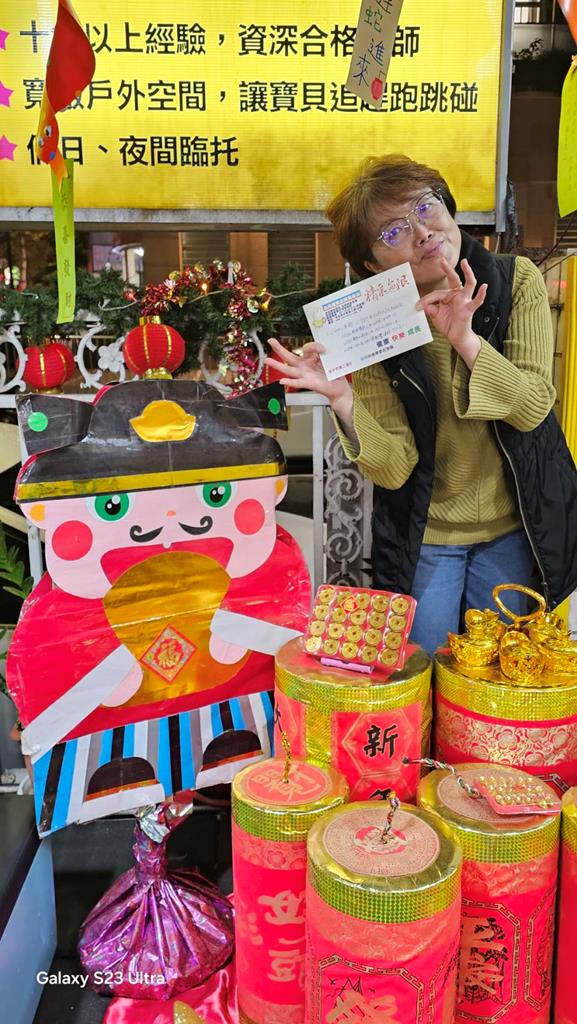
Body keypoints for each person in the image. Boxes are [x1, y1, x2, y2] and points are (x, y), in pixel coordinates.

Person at [266, 154, 577, 655]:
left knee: (497, 671)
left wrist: (467, 342)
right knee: (425, 666)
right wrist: (343, 397)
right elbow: (395, 469)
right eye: (393, 232)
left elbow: (533, 407)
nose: (422, 232)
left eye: (426, 207)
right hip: (430, 534)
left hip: (514, 526)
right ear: (372, 265)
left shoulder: (513, 281)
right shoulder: (370, 324)